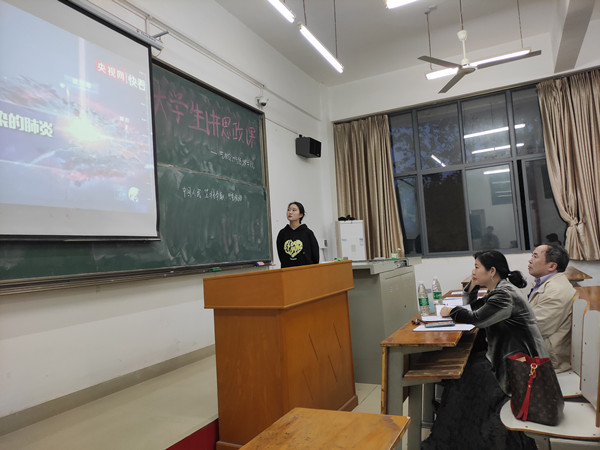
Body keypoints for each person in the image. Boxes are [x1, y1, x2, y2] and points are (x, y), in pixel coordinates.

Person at [422, 251, 546, 450]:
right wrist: (473, 283)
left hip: (521, 364)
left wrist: (450, 311)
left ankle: (459, 434)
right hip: (508, 356)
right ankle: (453, 426)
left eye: (477, 267)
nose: (473, 271)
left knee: (466, 376)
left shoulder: (505, 295)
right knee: (465, 372)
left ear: (492, 271)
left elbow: (476, 318)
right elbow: (472, 306)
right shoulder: (499, 290)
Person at [528, 243, 575, 372]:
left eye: (535, 256)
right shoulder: (546, 283)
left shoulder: (556, 291)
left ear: (552, 266)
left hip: (546, 359)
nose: (530, 260)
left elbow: (534, 328)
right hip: (538, 350)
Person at [276, 201, 319, 268]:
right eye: (288, 210)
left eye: (294, 210)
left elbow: (315, 255)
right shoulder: (282, 233)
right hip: (288, 270)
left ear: (301, 215)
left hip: (306, 270)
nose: (290, 212)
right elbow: (281, 254)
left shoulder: (308, 233)